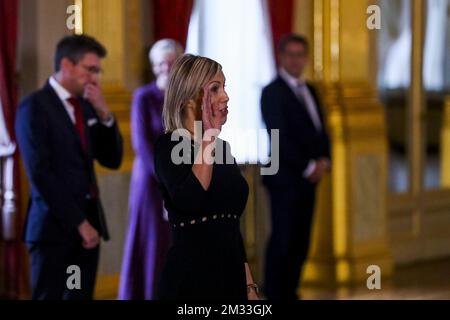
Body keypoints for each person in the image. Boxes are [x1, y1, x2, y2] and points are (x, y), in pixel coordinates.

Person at [15, 35, 123, 300]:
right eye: (90, 69)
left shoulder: (86, 107)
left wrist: (105, 114)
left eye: (97, 71)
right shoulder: (34, 108)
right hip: (54, 231)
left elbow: (112, 159)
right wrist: (79, 223)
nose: (95, 78)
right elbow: (41, 174)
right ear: (66, 64)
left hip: (86, 233)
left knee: (78, 296)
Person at [154, 54, 259, 300]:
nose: (225, 96)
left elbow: (231, 226)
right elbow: (190, 199)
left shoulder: (223, 148)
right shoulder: (168, 145)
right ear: (192, 98)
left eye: (224, 86)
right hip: (190, 283)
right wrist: (209, 137)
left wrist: (250, 287)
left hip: (231, 282)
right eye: (215, 88)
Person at [261, 33, 331, 300]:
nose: (295, 60)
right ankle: (276, 294)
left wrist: (324, 160)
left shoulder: (311, 90)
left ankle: (291, 291)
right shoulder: (271, 92)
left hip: (310, 178)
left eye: (300, 55)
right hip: (283, 178)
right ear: (281, 56)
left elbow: (320, 131)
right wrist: (307, 166)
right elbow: (279, 137)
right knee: (284, 239)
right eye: (290, 54)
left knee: (302, 240)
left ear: (306, 58)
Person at [119, 39, 183, 300]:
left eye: (170, 63)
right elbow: (142, 145)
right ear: (153, 67)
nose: (165, 69)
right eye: (160, 64)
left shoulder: (188, 97)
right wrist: (166, 181)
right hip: (151, 182)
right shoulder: (143, 97)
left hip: (182, 181)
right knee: (152, 242)